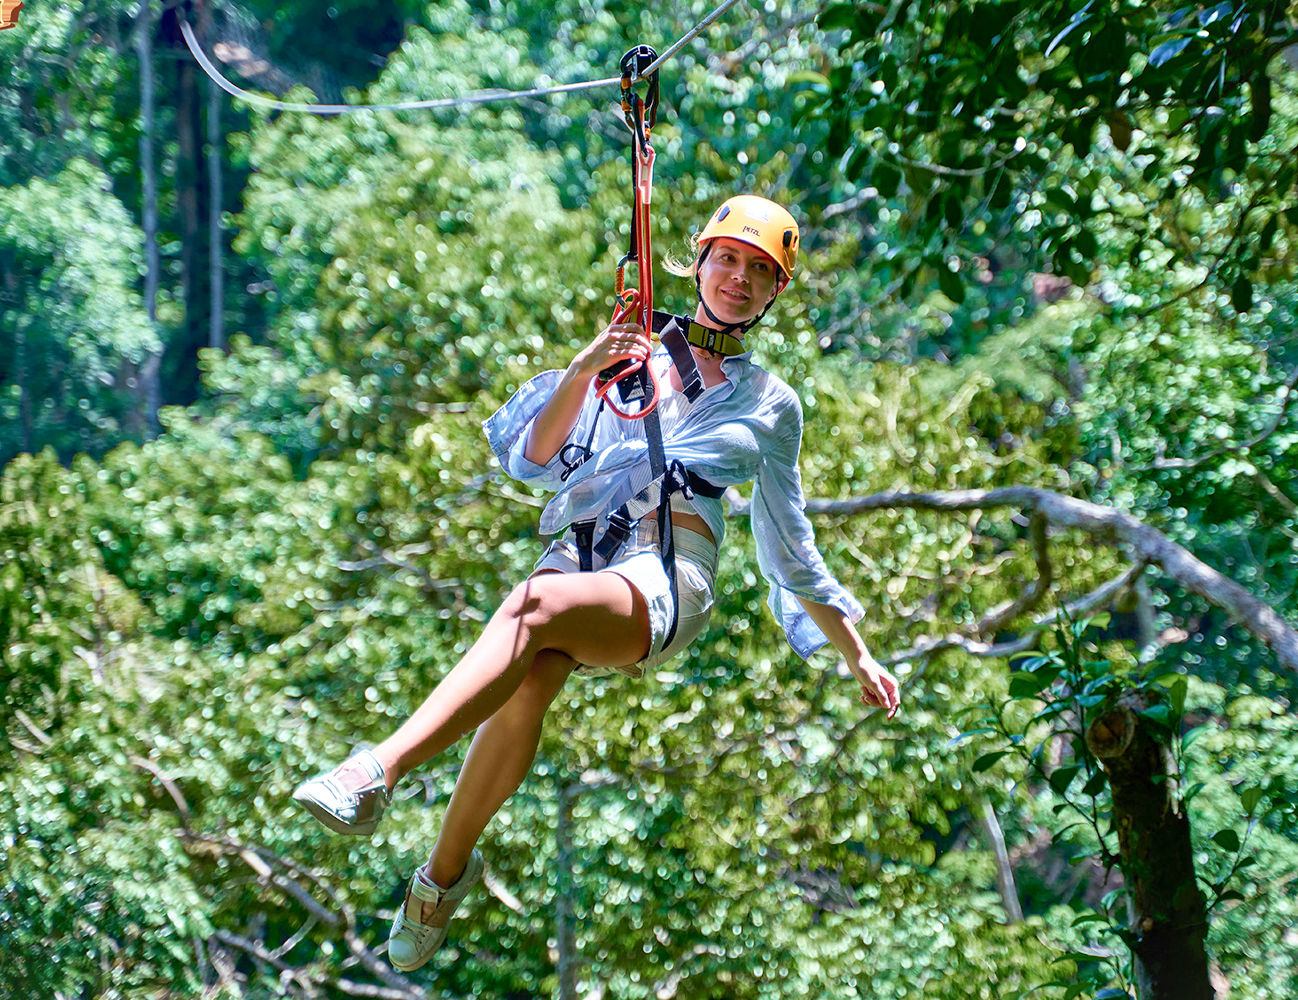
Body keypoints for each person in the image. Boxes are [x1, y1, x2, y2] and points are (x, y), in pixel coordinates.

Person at [292, 194, 901, 972]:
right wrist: (586, 367)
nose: (738, 279)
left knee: (535, 607)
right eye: (727, 259)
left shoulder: (772, 406)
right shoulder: (632, 348)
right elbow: (537, 454)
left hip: (669, 573)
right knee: (528, 682)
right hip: (583, 553)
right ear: (700, 260)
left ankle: (374, 771)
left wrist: (856, 653)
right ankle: (440, 882)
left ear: (776, 291)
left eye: (759, 270)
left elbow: (790, 544)